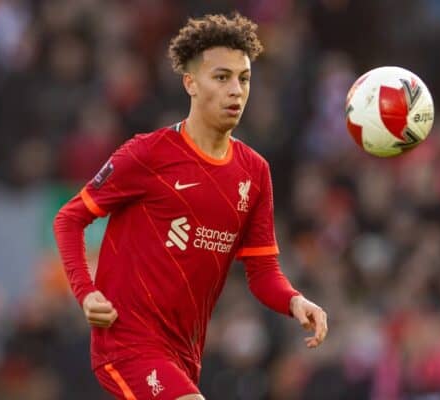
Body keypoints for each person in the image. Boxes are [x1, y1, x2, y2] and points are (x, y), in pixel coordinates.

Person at [53, 12, 328, 400]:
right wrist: (86, 292)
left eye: (244, 78)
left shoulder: (255, 172)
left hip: (184, 355)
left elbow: (263, 272)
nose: (236, 90)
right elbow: (70, 219)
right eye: (221, 77)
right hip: (126, 344)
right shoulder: (148, 154)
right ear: (191, 83)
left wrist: (295, 300)